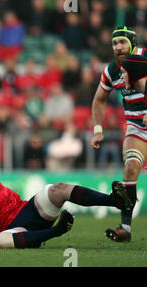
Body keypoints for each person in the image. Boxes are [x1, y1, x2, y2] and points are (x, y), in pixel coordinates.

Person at [0, 134, 133, 248]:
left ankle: (114, 201)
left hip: (27, 210)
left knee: (57, 189)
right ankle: (56, 231)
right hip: (12, 230)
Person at [90, 26, 146, 242]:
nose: (118, 47)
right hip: (137, 128)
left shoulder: (145, 59)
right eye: (114, 43)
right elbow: (98, 99)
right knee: (131, 166)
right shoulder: (112, 70)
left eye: (122, 42)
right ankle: (125, 228)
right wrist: (97, 130)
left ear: (133, 43)